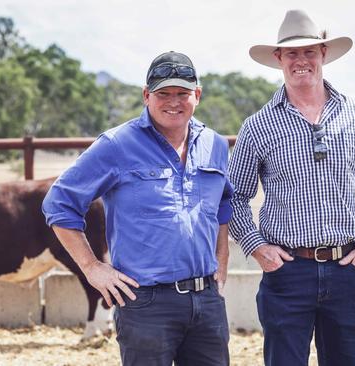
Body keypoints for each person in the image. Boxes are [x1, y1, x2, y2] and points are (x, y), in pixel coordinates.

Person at [228, 9, 355, 366]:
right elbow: (235, 198)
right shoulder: (258, 126)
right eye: (292, 53)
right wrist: (257, 247)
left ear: (324, 53)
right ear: (279, 58)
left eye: (309, 51)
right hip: (287, 271)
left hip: (347, 268)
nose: (301, 60)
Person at [42, 51, 233, 366]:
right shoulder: (117, 145)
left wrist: (222, 256)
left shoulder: (214, 144)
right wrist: (91, 267)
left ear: (197, 95)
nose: (173, 101)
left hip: (207, 298)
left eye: (182, 93)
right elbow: (58, 203)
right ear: (147, 96)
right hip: (145, 301)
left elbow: (223, 202)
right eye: (163, 93)